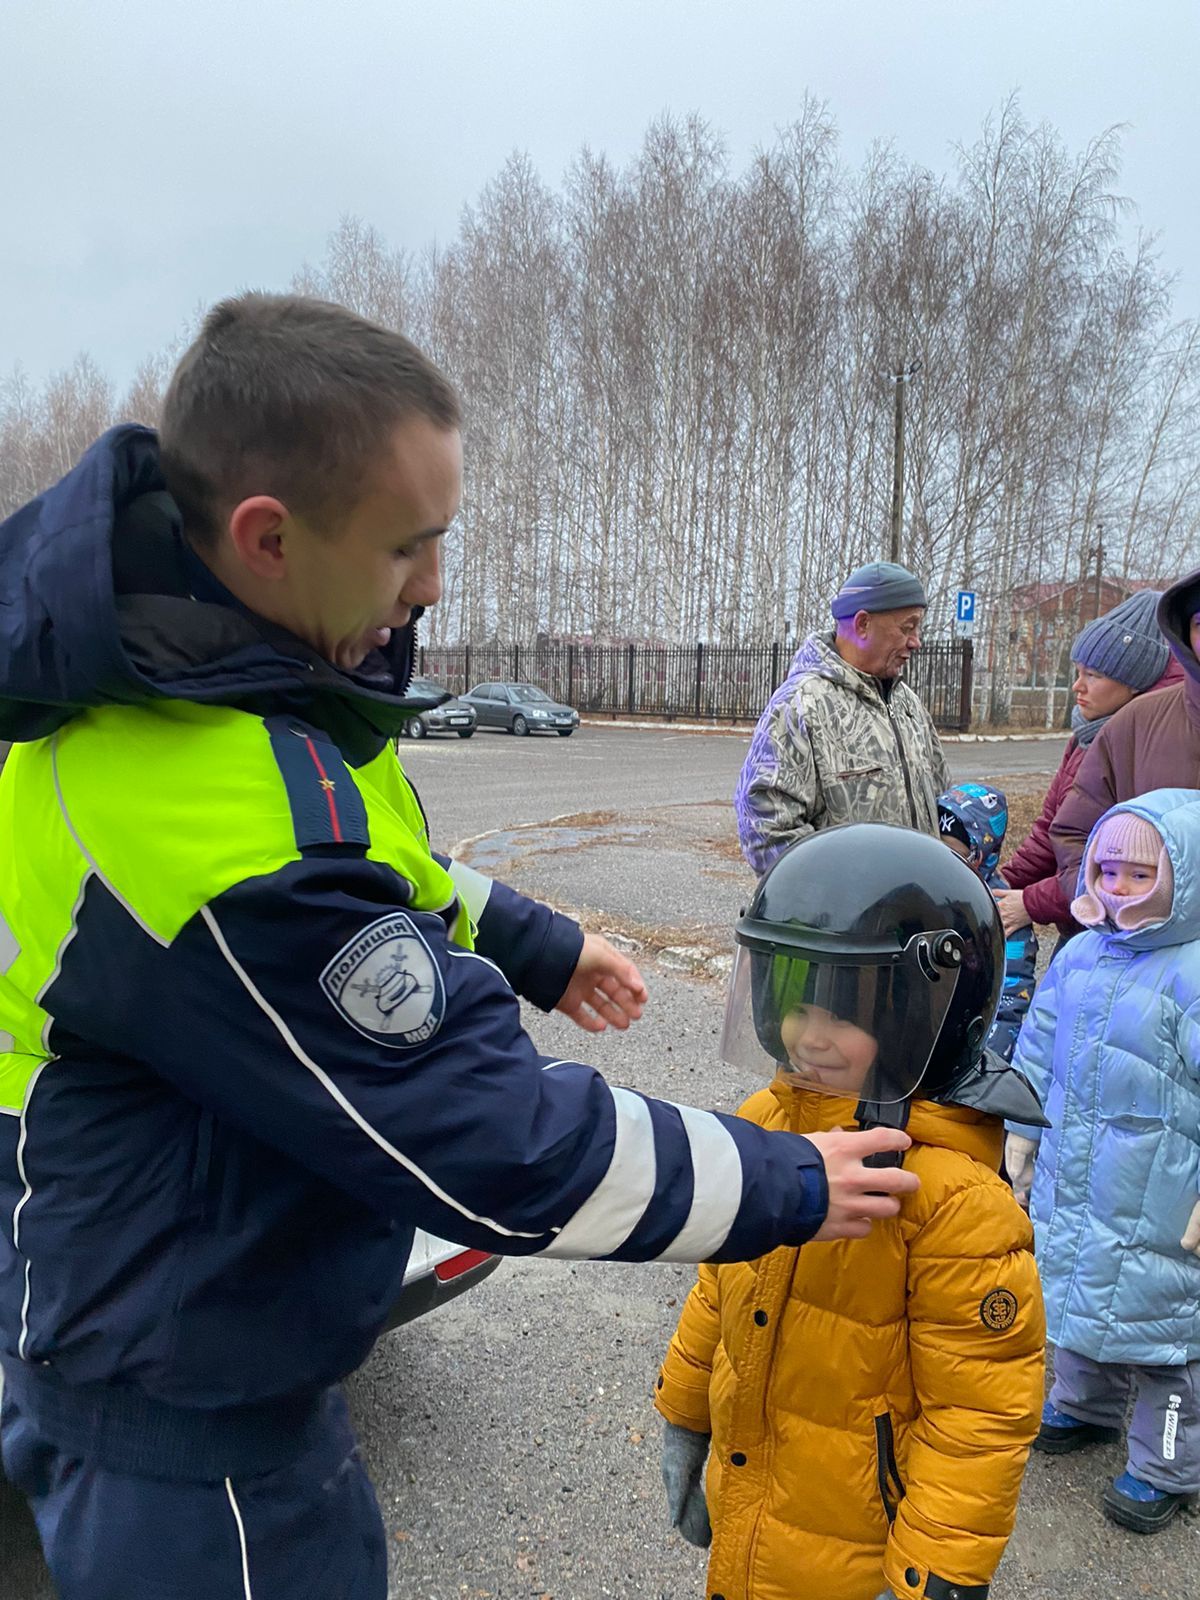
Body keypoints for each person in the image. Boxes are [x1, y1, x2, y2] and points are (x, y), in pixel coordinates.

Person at [0, 295, 919, 1600]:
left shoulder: (193, 686)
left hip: (181, 1304)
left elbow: (379, 867)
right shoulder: (213, 817)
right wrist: (791, 1182)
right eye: (408, 548)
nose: (434, 583)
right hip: (185, 1406)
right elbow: (486, 1138)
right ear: (267, 539)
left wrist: (543, 943)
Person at [655, 823, 1046, 1600]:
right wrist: (687, 1405)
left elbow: (981, 1411)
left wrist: (936, 1566)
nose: (810, 1036)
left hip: (862, 1540)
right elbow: (717, 1283)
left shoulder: (952, 1201)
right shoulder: (765, 1121)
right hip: (759, 1491)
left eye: (846, 1013)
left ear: (922, 1013)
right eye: (794, 1006)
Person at [1005, 790, 1200, 1534]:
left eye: (1138, 876)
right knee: (1075, 1292)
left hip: (1165, 1190)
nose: (1116, 890)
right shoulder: (1080, 954)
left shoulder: (1192, 973)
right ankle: (1084, 1403)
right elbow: (1036, 1047)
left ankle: (1168, 1462)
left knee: (1169, 1332)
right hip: (1079, 1169)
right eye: (1106, 872)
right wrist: (1022, 1128)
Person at [734, 562, 951, 876]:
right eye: (907, 627)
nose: (916, 641)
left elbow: (941, 796)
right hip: (846, 921)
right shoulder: (801, 705)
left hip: (918, 913)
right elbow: (766, 828)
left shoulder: (909, 705)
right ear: (863, 624)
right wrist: (842, 902)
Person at [993, 589, 1176, 944]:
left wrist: (1032, 903)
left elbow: (1123, 864)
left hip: (1122, 935)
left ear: (1134, 682)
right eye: (1078, 672)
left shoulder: (1149, 745)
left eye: (1093, 675)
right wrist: (998, 887)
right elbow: (1052, 831)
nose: (1077, 686)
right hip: (1078, 928)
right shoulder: (1084, 737)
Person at [1049, 567, 1200, 908]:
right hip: (1141, 953)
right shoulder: (1133, 723)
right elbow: (1072, 836)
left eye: (1093, 674)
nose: (1079, 685)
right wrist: (1111, 910)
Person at [937, 782, 1036, 1062]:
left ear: (979, 854)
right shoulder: (928, 893)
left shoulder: (1002, 912)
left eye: (956, 854)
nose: (945, 862)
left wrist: (989, 1064)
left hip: (975, 1045)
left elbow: (1012, 1001)